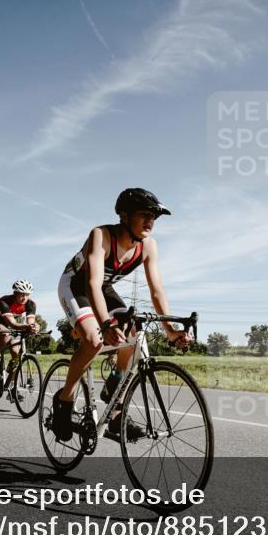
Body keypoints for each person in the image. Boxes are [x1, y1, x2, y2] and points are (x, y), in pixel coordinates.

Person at [53, 188, 190, 442]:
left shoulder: (148, 246)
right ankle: (64, 399)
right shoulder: (101, 235)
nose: (150, 221)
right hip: (76, 285)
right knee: (94, 340)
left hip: (103, 287)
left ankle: (114, 403)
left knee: (134, 335)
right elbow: (91, 284)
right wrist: (104, 324)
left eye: (154, 217)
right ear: (124, 216)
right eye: (144, 215)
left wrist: (170, 330)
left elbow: (157, 290)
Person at [0, 280, 39, 380]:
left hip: (11, 325)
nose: (24, 297)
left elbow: (31, 321)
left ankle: (11, 389)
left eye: (27, 294)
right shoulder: (4, 301)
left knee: (16, 356)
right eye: (22, 294)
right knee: (6, 334)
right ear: (15, 293)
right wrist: (26, 326)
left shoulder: (30, 304)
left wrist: (34, 326)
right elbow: (12, 323)